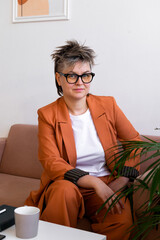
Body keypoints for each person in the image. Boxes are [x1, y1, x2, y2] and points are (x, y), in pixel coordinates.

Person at [25, 40, 140, 240]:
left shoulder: (108, 105)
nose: (80, 82)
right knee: (63, 191)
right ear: (59, 79)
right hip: (69, 184)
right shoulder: (47, 114)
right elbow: (51, 161)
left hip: (109, 182)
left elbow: (135, 143)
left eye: (85, 75)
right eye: (72, 76)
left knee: (122, 223)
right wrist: (94, 183)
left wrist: (121, 180)